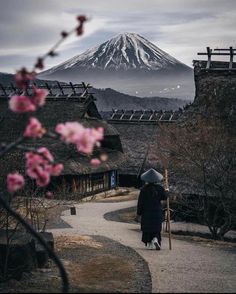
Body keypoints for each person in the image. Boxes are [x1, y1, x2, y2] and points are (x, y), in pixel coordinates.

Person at [136, 168, 168, 250]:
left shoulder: (143, 190)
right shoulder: (160, 188)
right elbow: (165, 197)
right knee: (156, 229)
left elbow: (140, 203)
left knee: (147, 229)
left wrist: (138, 213)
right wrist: (167, 191)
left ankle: (149, 243)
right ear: (157, 179)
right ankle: (155, 239)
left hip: (146, 213)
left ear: (147, 179)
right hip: (157, 212)